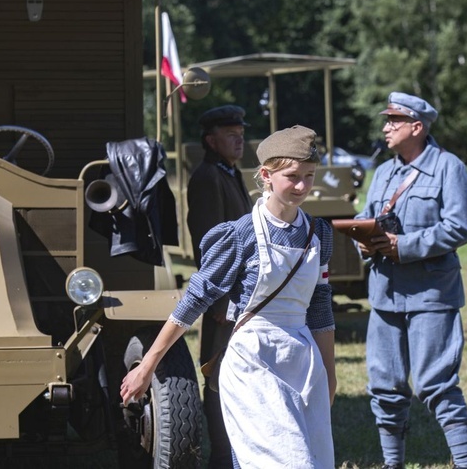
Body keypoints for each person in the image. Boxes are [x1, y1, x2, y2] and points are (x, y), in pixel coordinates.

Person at [121, 125, 336, 468]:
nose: (302, 186)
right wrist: (148, 365)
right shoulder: (241, 235)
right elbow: (194, 300)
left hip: (302, 362)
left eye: (309, 176)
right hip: (254, 359)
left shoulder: (319, 233)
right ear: (265, 175)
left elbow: (321, 307)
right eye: (292, 176)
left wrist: (329, 370)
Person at [355, 92, 467, 469]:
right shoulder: (383, 174)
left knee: (435, 383)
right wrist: (364, 241)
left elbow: (460, 226)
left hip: (431, 293)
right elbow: (367, 216)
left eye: (393, 120)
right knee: (385, 387)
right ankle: (393, 464)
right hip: (385, 294)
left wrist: (404, 246)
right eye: (386, 120)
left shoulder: (449, 168)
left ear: (417, 126)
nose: (385, 127)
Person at [186, 104, 253, 468]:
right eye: (231, 134)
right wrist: (221, 303)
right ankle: (223, 457)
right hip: (224, 301)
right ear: (211, 141)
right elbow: (212, 248)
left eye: (241, 132)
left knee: (236, 374)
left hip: (239, 296)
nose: (239, 138)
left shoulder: (229, 172)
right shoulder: (208, 177)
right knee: (217, 377)